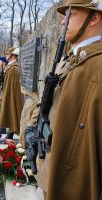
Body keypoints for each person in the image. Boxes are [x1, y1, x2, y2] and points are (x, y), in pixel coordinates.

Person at [26, 1, 102, 199]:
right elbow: (46, 100)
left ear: (94, 18)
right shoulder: (68, 59)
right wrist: (31, 129)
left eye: (71, 15)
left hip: (73, 179)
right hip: (50, 167)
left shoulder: (97, 66)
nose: (62, 22)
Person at [0, 47, 23, 139]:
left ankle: (11, 133)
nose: (6, 55)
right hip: (7, 93)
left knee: (11, 110)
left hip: (10, 94)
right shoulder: (10, 67)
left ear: (13, 55)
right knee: (8, 111)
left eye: (8, 54)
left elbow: (12, 87)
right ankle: (10, 132)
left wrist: (5, 96)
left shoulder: (13, 68)